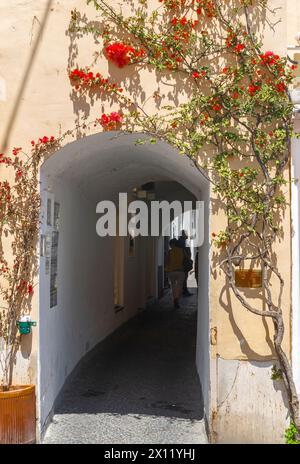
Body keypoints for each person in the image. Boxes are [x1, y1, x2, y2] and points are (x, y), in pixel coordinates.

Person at [165, 238, 185, 309]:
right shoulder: (181, 251)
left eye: (170, 244)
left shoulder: (170, 252)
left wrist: (166, 269)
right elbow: (186, 259)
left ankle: (175, 298)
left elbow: (167, 261)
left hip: (171, 271)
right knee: (179, 286)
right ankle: (177, 298)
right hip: (180, 271)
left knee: (173, 286)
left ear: (172, 244)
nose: (170, 246)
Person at [177, 230, 193, 296]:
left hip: (180, 263)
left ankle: (181, 291)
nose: (187, 235)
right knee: (184, 277)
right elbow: (184, 252)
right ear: (183, 235)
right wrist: (188, 258)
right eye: (186, 234)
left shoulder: (179, 242)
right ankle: (184, 291)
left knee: (181, 278)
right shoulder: (183, 242)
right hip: (184, 262)